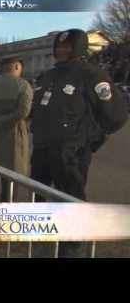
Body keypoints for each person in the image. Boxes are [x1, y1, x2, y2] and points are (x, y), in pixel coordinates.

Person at [30, 29, 128, 257]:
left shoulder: (92, 75)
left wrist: (91, 140)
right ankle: (45, 235)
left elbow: (116, 116)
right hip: (43, 149)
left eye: (67, 46)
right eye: (59, 46)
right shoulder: (48, 76)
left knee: (70, 197)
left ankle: (71, 245)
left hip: (71, 152)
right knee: (39, 193)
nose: (61, 50)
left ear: (79, 48)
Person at [0, 58, 33, 202]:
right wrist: (3, 121)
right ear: (16, 66)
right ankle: (6, 207)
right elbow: (23, 111)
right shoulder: (24, 85)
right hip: (13, 135)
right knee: (10, 176)